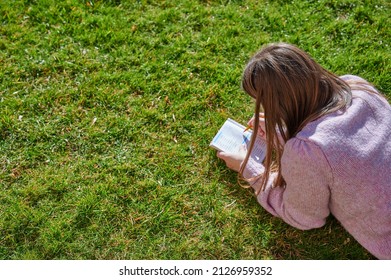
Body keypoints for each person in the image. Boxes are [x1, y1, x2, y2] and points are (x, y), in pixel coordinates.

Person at [217, 42, 391, 259]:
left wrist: (249, 168)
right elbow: (343, 144)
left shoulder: (308, 152)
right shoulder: (357, 88)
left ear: (278, 105)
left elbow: (305, 216)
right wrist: (281, 132)